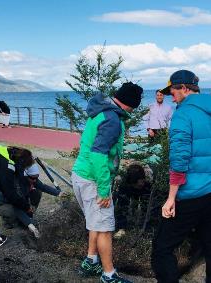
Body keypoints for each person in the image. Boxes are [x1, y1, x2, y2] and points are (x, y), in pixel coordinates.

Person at [151, 70, 211, 283]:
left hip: (189, 195)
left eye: (172, 91)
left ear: (184, 88)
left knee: (162, 249)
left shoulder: (183, 113)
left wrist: (171, 198)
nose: (171, 96)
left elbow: (179, 159)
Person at [71, 82, 143, 283]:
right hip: (93, 179)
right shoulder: (112, 119)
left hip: (81, 173)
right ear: (131, 105)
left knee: (96, 222)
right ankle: (109, 275)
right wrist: (103, 189)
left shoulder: (100, 110)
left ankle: (91, 261)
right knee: (105, 228)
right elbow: (98, 155)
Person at [0, 163, 65, 238]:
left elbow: (43, 187)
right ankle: (8, 221)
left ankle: (28, 216)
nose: (35, 180)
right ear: (25, 175)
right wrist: (29, 224)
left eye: (36, 178)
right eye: (32, 178)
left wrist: (59, 193)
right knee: (13, 212)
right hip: (2, 204)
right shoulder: (15, 184)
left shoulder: (32, 177)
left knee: (37, 192)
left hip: (18, 201)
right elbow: (17, 207)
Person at [113, 161, 153, 239]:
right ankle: (122, 228)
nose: (139, 185)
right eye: (137, 184)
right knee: (123, 203)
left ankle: (146, 229)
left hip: (146, 188)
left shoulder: (149, 177)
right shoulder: (123, 180)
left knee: (146, 205)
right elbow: (121, 207)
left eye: (141, 182)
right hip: (128, 187)